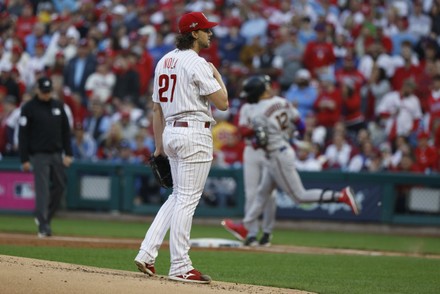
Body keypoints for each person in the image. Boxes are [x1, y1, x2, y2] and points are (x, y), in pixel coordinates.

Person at [134, 12, 228, 284]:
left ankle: (147, 252)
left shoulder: (164, 60)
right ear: (194, 33)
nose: (211, 34)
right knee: (187, 200)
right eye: (206, 30)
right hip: (193, 132)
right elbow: (222, 103)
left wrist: (159, 146)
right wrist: (217, 73)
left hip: (172, 131)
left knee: (177, 196)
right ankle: (181, 265)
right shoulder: (197, 63)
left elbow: (156, 108)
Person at [221, 75, 359, 246]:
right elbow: (299, 123)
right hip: (281, 149)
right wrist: (296, 137)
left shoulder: (257, 112)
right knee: (263, 193)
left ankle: (340, 196)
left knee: (300, 196)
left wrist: (267, 138)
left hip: (277, 155)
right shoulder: (282, 101)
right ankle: (246, 227)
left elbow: (258, 141)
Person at [18, 76, 73, 238]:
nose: (46, 95)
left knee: (60, 185)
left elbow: (65, 132)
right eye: (44, 91)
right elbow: (23, 135)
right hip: (38, 155)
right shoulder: (29, 108)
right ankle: (43, 226)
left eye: (48, 91)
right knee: (43, 191)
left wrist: (69, 153)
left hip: (56, 153)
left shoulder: (58, 106)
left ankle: (44, 217)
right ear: (37, 90)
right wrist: (24, 159)